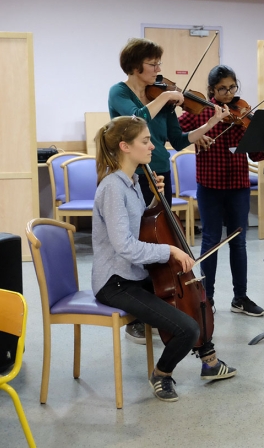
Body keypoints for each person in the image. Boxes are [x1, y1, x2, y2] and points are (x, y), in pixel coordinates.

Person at [92, 116, 236, 403]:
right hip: (115, 282)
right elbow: (125, 246)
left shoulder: (132, 182)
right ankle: (161, 374)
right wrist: (170, 251)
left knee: (194, 300)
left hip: (134, 274)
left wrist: (155, 202)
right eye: (146, 141)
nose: (152, 147)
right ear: (125, 146)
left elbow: (139, 224)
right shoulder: (112, 188)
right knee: (187, 328)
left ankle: (209, 362)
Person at [109, 37, 226, 342]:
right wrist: (167, 97)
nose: (159, 70)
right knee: (136, 243)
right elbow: (136, 119)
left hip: (160, 174)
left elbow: (179, 139)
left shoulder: (161, 98)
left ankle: (159, 308)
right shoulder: (119, 92)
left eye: (159, 63)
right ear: (135, 67)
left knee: (160, 239)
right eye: (153, 64)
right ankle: (136, 317)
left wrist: (211, 122)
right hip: (132, 177)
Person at [178, 65, 264, 317]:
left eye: (232, 88)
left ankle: (240, 297)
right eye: (222, 89)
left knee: (239, 243)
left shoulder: (242, 113)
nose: (228, 94)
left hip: (238, 186)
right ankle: (206, 298)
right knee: (210, 242)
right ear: (212, 90)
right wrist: (194, 136)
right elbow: (174, 133)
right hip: (210, 186)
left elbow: (257, 155)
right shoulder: (201, 111)